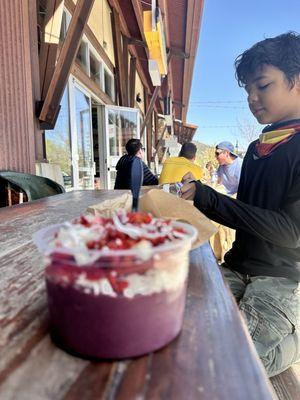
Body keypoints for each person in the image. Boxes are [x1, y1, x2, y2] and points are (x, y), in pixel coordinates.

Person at [180, 32, 300, 377]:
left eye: (262, 85)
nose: (252, 98)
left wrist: (210, 198)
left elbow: (291, 232)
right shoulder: (257, 147)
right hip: (237, 266)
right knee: (182, 329)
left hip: (278, 277)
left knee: (230, 362)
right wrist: (199, 197)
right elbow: (246, 215)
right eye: (248, 89)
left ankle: (291, 341)